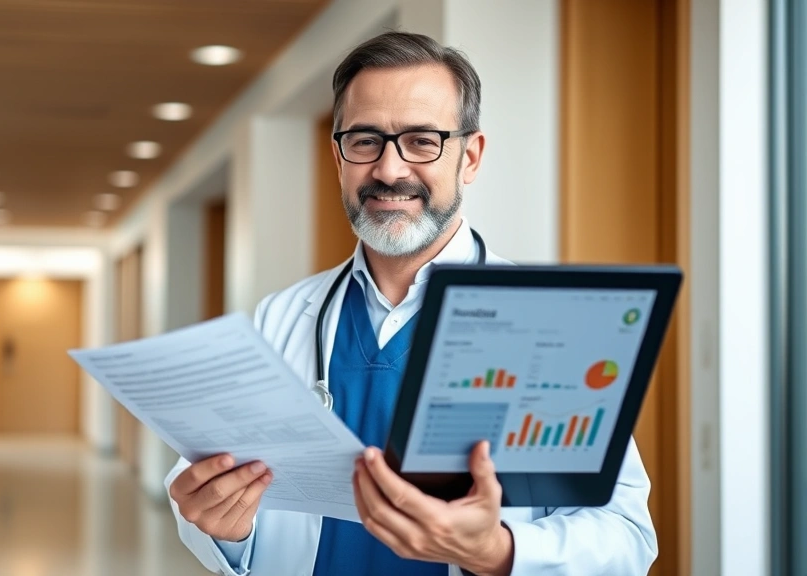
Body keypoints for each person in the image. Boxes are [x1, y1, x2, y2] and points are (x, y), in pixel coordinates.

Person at [165, 31, 657, 576]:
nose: (390, 170)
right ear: (338, 156)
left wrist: (494, 550)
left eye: (422, 140)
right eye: (365, 140)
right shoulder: (280, 318)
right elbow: (214, 501)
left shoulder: (550, 323)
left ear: (469, 157)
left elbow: (626, 536)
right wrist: (224, 526)